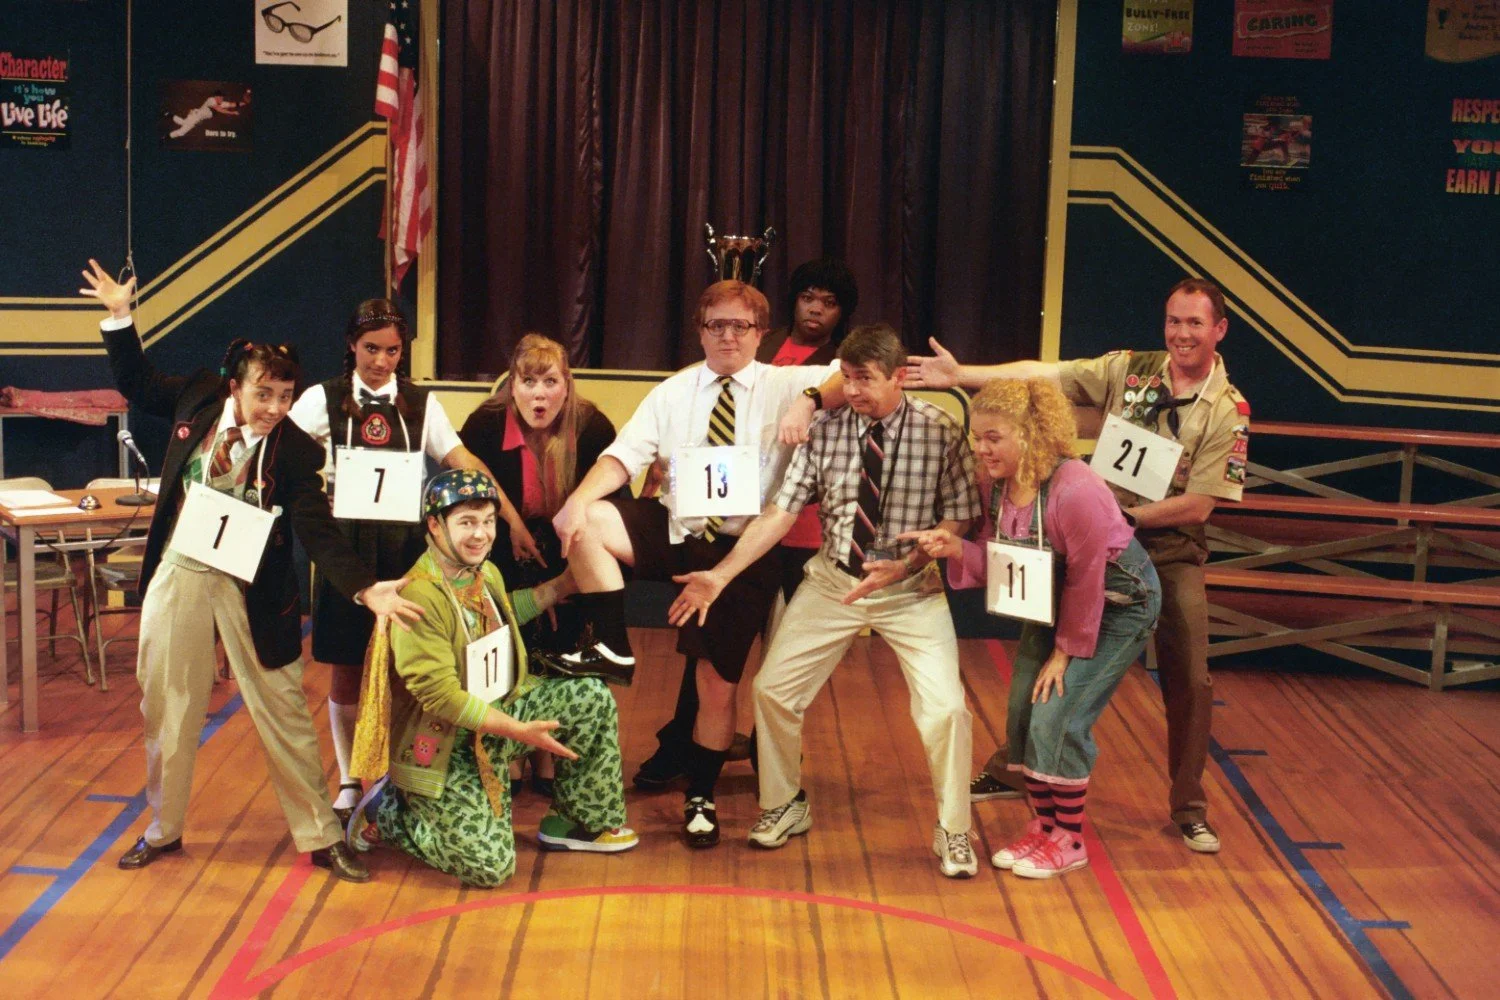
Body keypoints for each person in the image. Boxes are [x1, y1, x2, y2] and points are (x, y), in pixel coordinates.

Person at [79, 260, 423, 883]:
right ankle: (163, 830)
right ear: (234, 387)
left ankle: (320, 836)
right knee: (167, 706)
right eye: (263, 394)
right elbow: (136, 381)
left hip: (253, 587)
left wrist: (364, 588)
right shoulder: (196, 398)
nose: (274, 408)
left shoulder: (295, 451)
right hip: (182, 570)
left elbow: (318, 530)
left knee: (284, 712)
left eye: (285, 397)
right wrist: (120, 316)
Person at [905, 277, 1250, 853]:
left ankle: (1189, 806)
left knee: (1190, 675)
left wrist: (1126, 519)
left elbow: (1201, 503)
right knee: (1034, 658)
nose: (1181, 333)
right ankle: (1017, 768)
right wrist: (962, 374)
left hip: (1164, 543)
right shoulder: (1131, 369)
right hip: (1090, 533)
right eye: (1173, 320)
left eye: (1195, 323)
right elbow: (1045, 375)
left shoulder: (1228, 410)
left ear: (1219, 329)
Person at [669, 323, 983, 878]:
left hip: (910, 590)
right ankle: (784, 803)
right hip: (833, 583)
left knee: (947, 711)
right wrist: (720, 575)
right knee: (772, 691)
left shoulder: (941, 431)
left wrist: (911, 562)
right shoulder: (826, 430)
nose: (852, 390)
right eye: (847, 377)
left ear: (898, 377)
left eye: (865, 379)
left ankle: (954, 830)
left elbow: (958, 515)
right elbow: (780, 513)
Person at [551, 279, 841, 848]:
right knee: (588, 522)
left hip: (741, 549)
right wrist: (577, 500)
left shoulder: (785, 382)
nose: (728, 336)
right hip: (677, 527)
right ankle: (612, 644)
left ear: (760, 333)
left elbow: (849, 372)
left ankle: (701, 795)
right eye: (716, 325)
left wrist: (809, 401)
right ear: (700, 331)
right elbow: (622, 456)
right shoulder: (674, 391)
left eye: (740, 326)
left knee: (716, 684)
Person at [901, 378, 1161, 879]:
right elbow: (1003, 563)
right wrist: (955, 548)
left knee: (1056, 717)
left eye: (993, 438)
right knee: (1023, 711)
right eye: (977, 437)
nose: (981, 449)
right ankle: (1043, 828)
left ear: (1029, 433)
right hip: (1055, 600)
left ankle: (1070, 840)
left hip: (1117, 604)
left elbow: (1087, 578)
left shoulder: (1076, 488)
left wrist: (1064, 652)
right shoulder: (994, 484)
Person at [345, 469, 636, 888]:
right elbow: (441, 697)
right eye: (466, 522)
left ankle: (578, 823)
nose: (481, 534)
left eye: (487, 521)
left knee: (590, 696)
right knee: (491, 867)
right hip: (445, 742)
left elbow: (499, 616)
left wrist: (559, 587)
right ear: (435, 525)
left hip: (496, 714)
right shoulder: (417, 595)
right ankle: (389, 812)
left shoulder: (485, 572)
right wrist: (519, 731)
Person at [639, 259, 862, 788]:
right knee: (712, 647)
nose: (816, 309)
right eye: (808, 297)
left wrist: (809, 402)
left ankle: (772, 760)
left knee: (784, 657)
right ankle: (682, 748)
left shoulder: (838, 364)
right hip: (736, 527)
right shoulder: (762, 345)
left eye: (829, 302)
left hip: (804, 532)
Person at [288, 299, 510, 822]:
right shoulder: (322, 399)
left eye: (392, 351)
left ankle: (398, 774)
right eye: (371, 349)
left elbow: (462, 463)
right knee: (346, 670)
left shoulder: (421, 404)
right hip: (346, 553)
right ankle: (349, 779)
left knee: (407, 670)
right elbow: (280, 453)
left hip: (406, 553)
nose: (382, 361)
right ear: (352, 346)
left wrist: (511, 520)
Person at [459, 333, 624, 794]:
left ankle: (549, 751)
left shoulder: (593, 427)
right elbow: (467, 500)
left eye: (550, 382)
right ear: (511, 386)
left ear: (566, 386)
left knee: (565, 645)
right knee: (506, 647)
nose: (539, 393)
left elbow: (613, 505)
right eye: (528, 381)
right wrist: (506, 527)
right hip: (499, 546)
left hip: (570, 545)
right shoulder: (484, 425)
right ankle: (510, 747)